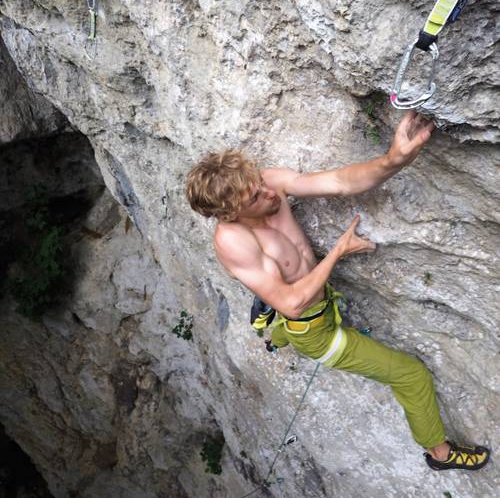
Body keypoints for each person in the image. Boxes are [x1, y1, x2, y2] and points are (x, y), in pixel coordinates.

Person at [186, 111, 490, 472]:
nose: (270, 192)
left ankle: (270, 326)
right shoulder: (234, 242)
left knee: (279, 297)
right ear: (231, 212)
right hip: (314, 330)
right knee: (411, 374)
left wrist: (393, 159)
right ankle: (440, 454)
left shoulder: (268, 184)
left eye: (259, 182)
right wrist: (338, 252)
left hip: (309, 298)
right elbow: (294, 304)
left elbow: (341, 182)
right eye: (255, 196)